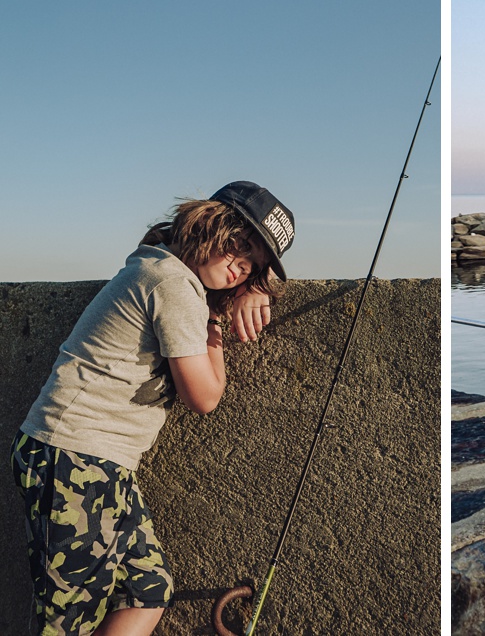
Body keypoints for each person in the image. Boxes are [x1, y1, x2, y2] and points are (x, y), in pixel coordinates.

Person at [10, 181, 294, 636]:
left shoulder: (158, 265)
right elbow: (205, 397)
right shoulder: (174, 286)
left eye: (254, 266)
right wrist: (217, 317)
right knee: (66, 623)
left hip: (102, 464)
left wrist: (242, 292)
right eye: (241, 246)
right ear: (209, 224)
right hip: (74, 458)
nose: (241, 266)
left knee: (148, 589)